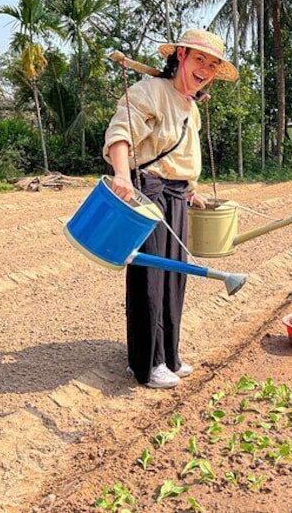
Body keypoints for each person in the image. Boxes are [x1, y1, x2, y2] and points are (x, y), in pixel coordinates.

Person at [103, 29, 238, 389]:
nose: (205, 70)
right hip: (148, 192)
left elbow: (182, 155)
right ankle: (146, 364)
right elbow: (120, 134)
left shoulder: (191, 106)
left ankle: (170, 355)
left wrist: (192, 192)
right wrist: (121, 175)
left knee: (175, 275)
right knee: (150, 275)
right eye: (199, 60)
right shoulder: (149, 91)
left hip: (177, 197)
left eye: (212, 65)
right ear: (180, 55)